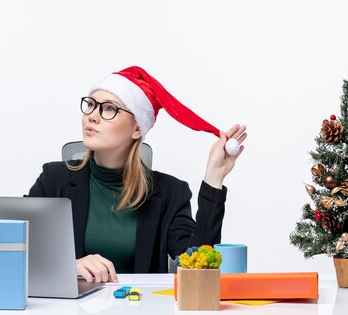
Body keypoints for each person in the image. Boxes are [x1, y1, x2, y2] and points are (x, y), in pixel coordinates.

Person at [27, 66, 246, 283]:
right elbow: (17, 247)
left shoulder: (171, 193)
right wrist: (68, 266)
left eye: (109, 109)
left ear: (137, 129)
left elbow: (197, 267)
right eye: (91, 105)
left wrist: (214, 178)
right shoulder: (53, 179)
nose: (92, 116)